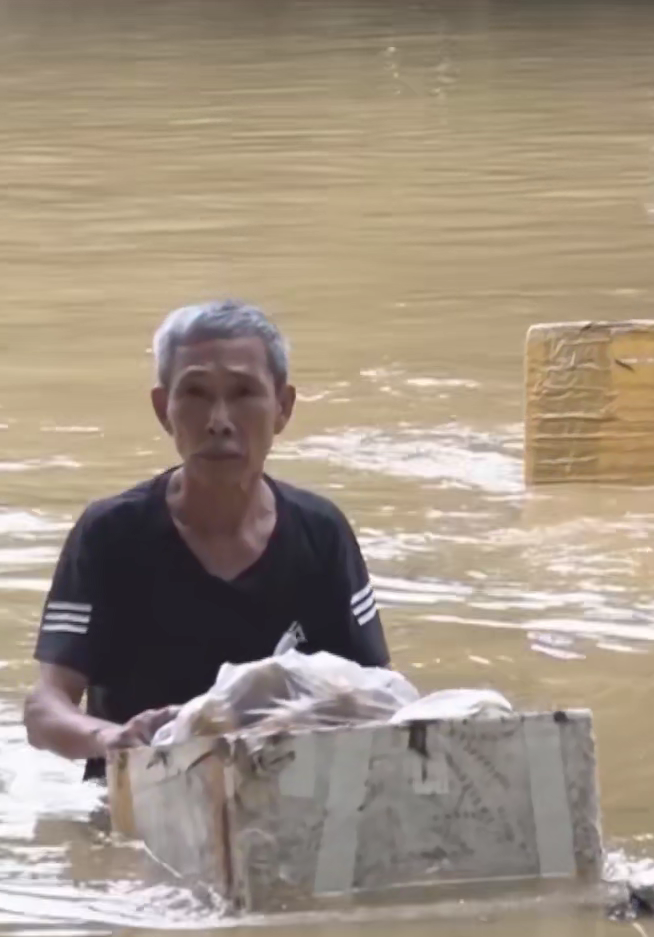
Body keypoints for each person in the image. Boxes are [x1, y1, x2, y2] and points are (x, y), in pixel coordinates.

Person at [21, 300, 392, 781]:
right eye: (195, 393)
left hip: (282, 797)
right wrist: (113, 738)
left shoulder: (322, 534)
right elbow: (44, 710)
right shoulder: (110, 534)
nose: (219, 420)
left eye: (243, 393)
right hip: (141, 799)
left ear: (282, 407)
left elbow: (379, 699)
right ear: (163, 409)